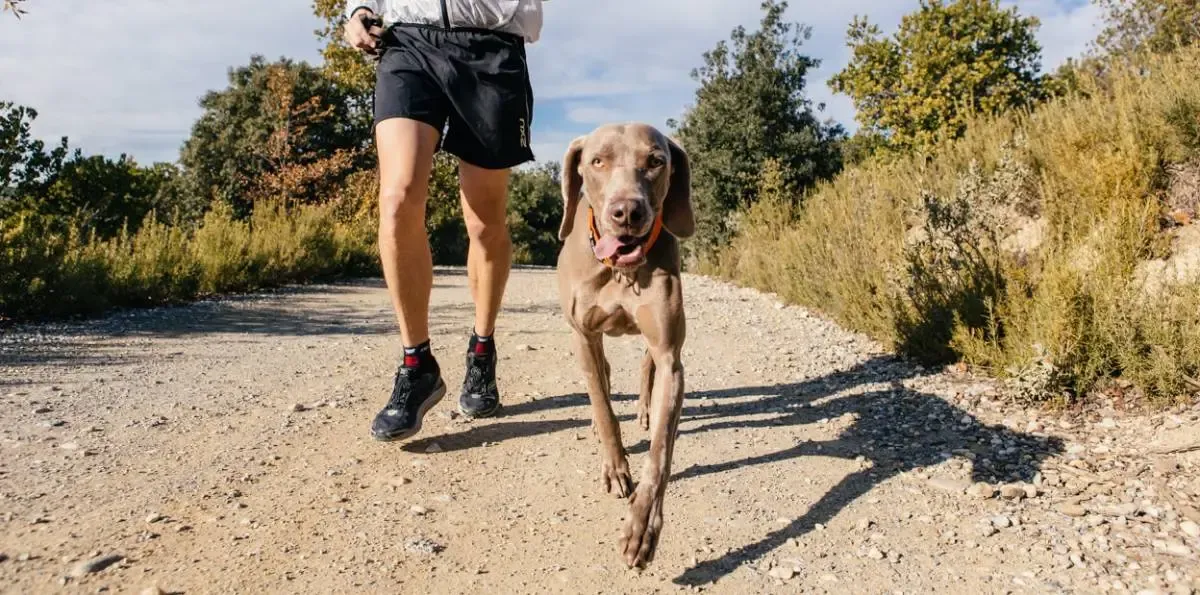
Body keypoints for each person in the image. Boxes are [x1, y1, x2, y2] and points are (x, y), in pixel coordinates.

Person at [341, 0, 544, 441]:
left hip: (491, 46)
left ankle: (482, 349)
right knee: (397, 199)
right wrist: (357, 10)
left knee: (484, 221)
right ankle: (417, 365)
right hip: (408, 42)